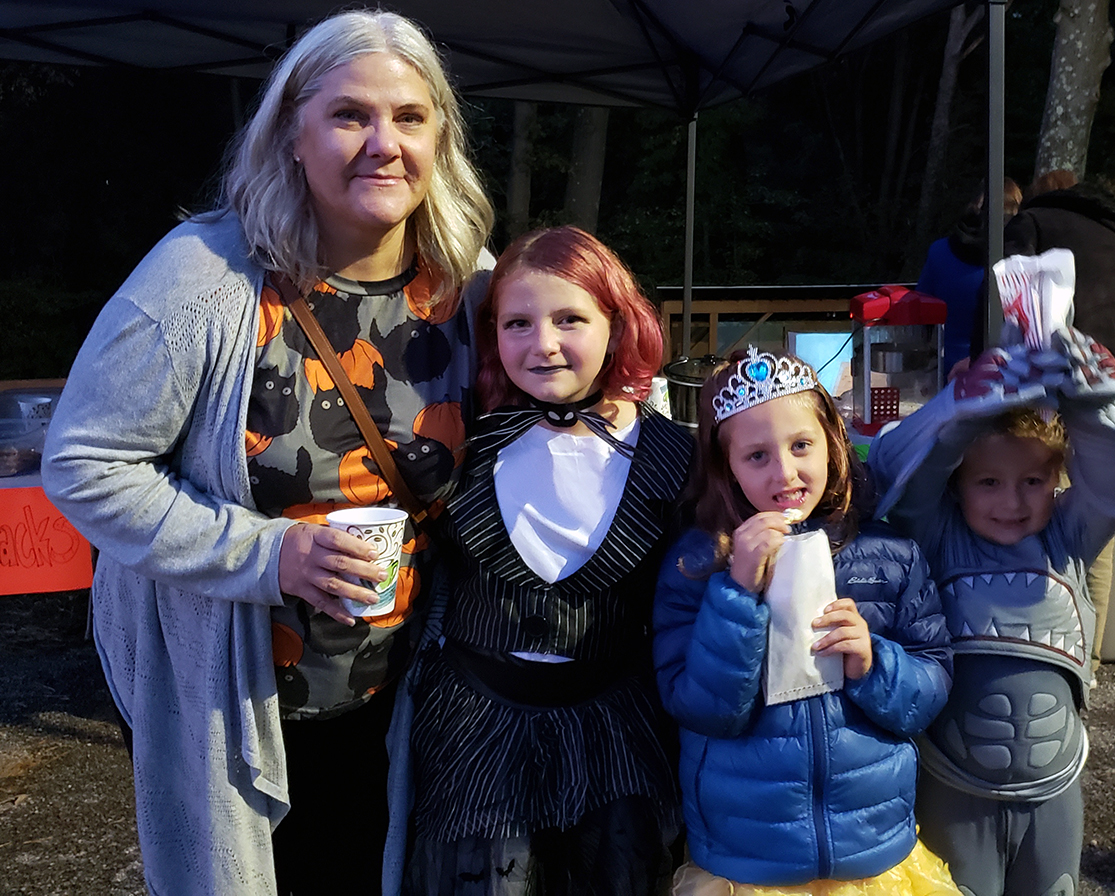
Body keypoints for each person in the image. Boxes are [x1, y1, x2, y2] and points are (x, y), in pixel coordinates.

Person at [40, 10, 494, 895]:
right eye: (349, 115)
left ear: (441, 133)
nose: (383, 144)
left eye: (409, 116)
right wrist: (268, 553)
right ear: (292, 130)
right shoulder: (202, 275)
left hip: (404, 693)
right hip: (227, 689)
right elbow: (85, 462)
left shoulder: (469, 282)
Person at [398, 226, 695, 895]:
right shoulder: (460, 447)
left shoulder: (675, 456)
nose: (544, 344)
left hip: (618, 725)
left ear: (617, 325)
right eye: (518, 323)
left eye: (570, 319)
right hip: (476, 727)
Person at [868, 329, 1115, 896]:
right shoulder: (938, 536)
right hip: (954, 789)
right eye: (988, 482)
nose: (1012, 502)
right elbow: (897, 477)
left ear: (1057, 479)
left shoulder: (1069, 537)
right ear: (957, 486)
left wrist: (1092, 402)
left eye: (1033, 481)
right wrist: (961, 409)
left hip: (1053, 792)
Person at [653, 347, 959, 895]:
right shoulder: (695, 567)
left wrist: (873, 663)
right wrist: (737, 593)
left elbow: (931, 688)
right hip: (746, 865)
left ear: (832, 443)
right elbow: (702, 708)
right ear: (725, 468)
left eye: (801, 446)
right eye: (756, 457)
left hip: (873, 856)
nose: (785, 472)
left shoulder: (889, 555)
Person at [986, 169, 1115, 684]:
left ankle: (1033, 645)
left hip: (1050, 387)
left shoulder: (1032, 222)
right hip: (1111, 386)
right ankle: (1088, 659)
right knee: (1095, 528)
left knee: (1035, 509)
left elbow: (1007, 297)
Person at [917, 177, 1022, 371]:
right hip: (1007, 374)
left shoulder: (938, 252)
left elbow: (920, 317)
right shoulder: (1020, 263)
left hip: (950, 373)